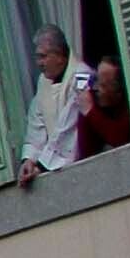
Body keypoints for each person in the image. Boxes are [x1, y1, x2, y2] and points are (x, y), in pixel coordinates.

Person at [24, 27, 93, 174]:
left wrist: (41, 166)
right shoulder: (43, 81)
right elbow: (37, 122)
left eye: (43, 57)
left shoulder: (83, 75)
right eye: (37, 57)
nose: (39, 63)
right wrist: (29, 159)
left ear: (60, 56)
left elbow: (69, 122)